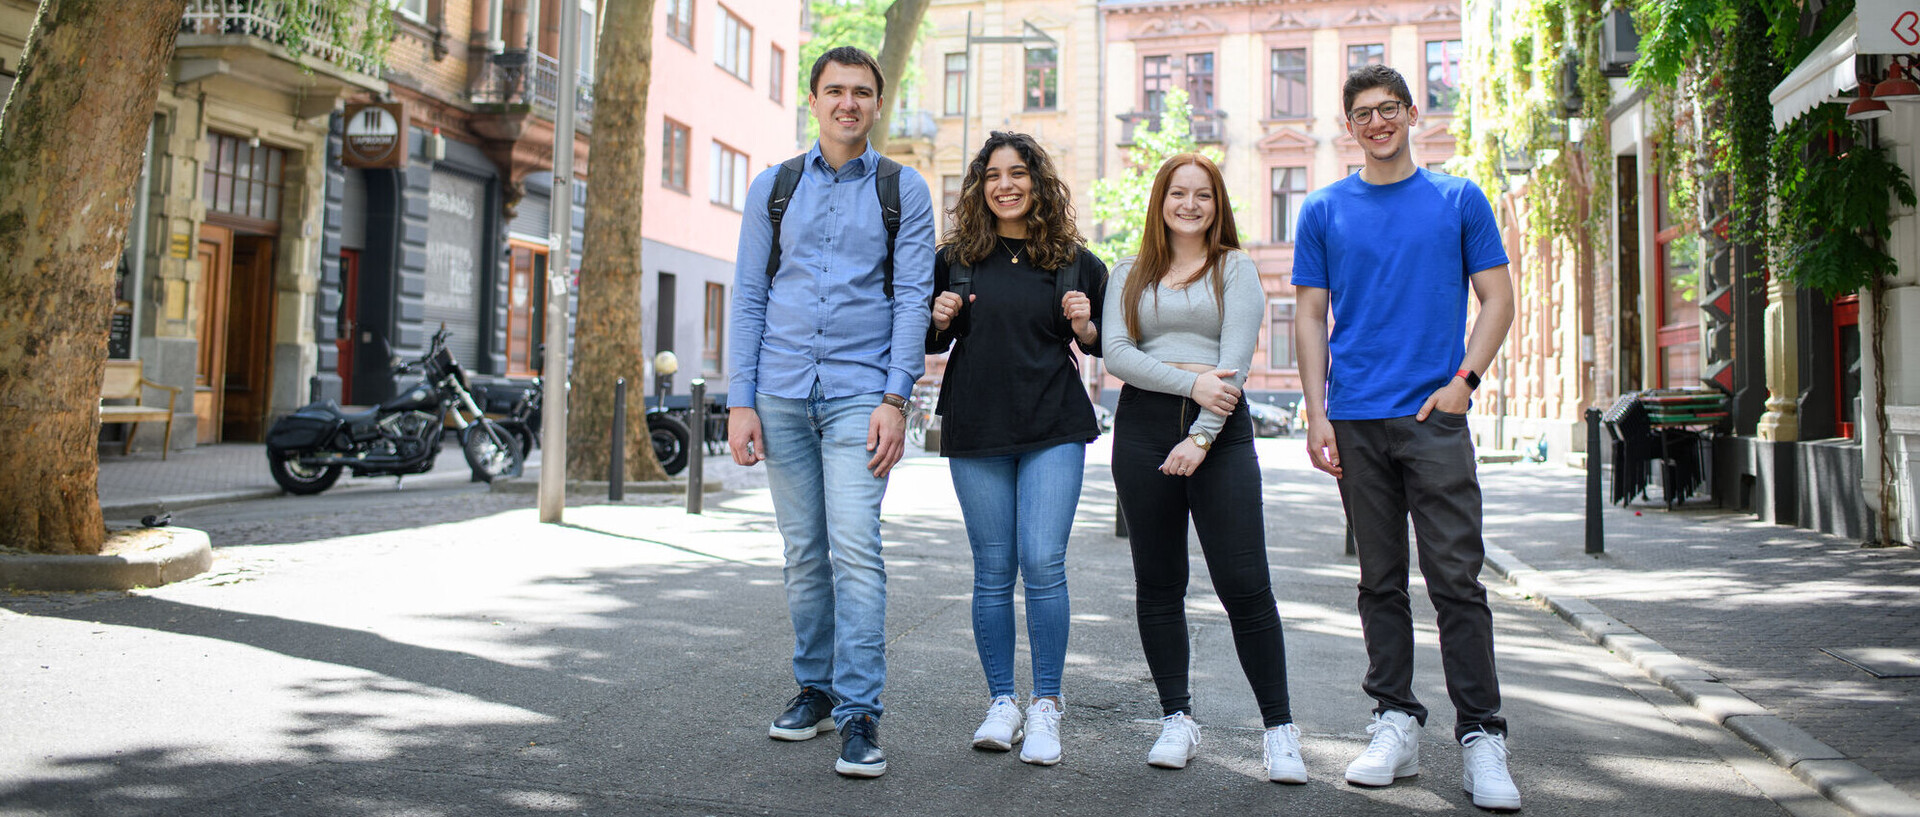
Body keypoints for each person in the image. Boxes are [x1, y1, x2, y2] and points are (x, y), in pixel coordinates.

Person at [1291, 64, 1520, 811]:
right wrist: (1317, 411)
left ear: (1412, 112)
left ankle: (1482, 733)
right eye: (1364, 112)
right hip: (1355, 419)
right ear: (1348, 125)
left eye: (1391, 108)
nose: (1379, 121)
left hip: (1434, 418)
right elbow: (1309, 316)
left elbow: (1497, 298)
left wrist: (1466, 381)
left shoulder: (1458, 197)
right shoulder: (1324, 209)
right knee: (1379, 581)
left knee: (1456, 578)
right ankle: (1394, 719)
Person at [726, 45, 935, 779]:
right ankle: (813, 687)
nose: (848, 103)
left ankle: (858, 712)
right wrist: (739, 401)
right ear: (812, 100)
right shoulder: (772, 188)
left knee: (856, 546)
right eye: (835, 91)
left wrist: (894, 397)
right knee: (804, 553)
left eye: (862, 92)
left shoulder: (903, 190)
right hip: (781, 392)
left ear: (878, 104)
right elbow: (749, 296)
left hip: (858, 395)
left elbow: (912, 297)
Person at [1102, 153, 1308, 784]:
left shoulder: (1235, 268)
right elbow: (1116, 356)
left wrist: (1201, 433)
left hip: (1221, 433)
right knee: (1158, 583)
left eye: (1203, 196)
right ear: (1160, 200)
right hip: (1140, 429)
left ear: (1218, 206)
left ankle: (1280, 731)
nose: (1189, 205)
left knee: (1245, 586)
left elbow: (1236, 363)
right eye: (1178, 193)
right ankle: (1176, 718)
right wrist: (1192, 381)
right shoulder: (1128, 272)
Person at [925, 131, 1106, 767]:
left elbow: (1106, 344)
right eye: (993, 174)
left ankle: (1047, 705)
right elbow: (927, 339)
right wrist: (940, 318)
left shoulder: (1076, 260)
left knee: (1043, 561)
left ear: (1038, 182)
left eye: (1018, 173)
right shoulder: (955, 257)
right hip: (976, 425)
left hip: (1053, 423)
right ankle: (1003, 701)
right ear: (979, 186)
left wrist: (1085, 325)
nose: (1006, 185)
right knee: (994, 567)